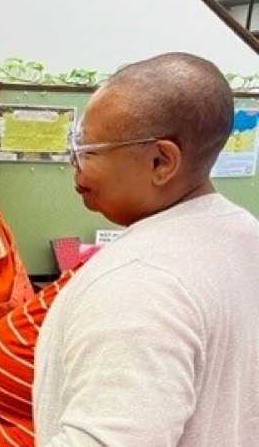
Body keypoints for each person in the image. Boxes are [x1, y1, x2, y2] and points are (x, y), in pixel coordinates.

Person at [33, 52, 259, 445]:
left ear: (161, 161)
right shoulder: (245, 237)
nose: (76, 166)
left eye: (89, 150)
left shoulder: (141, 283)